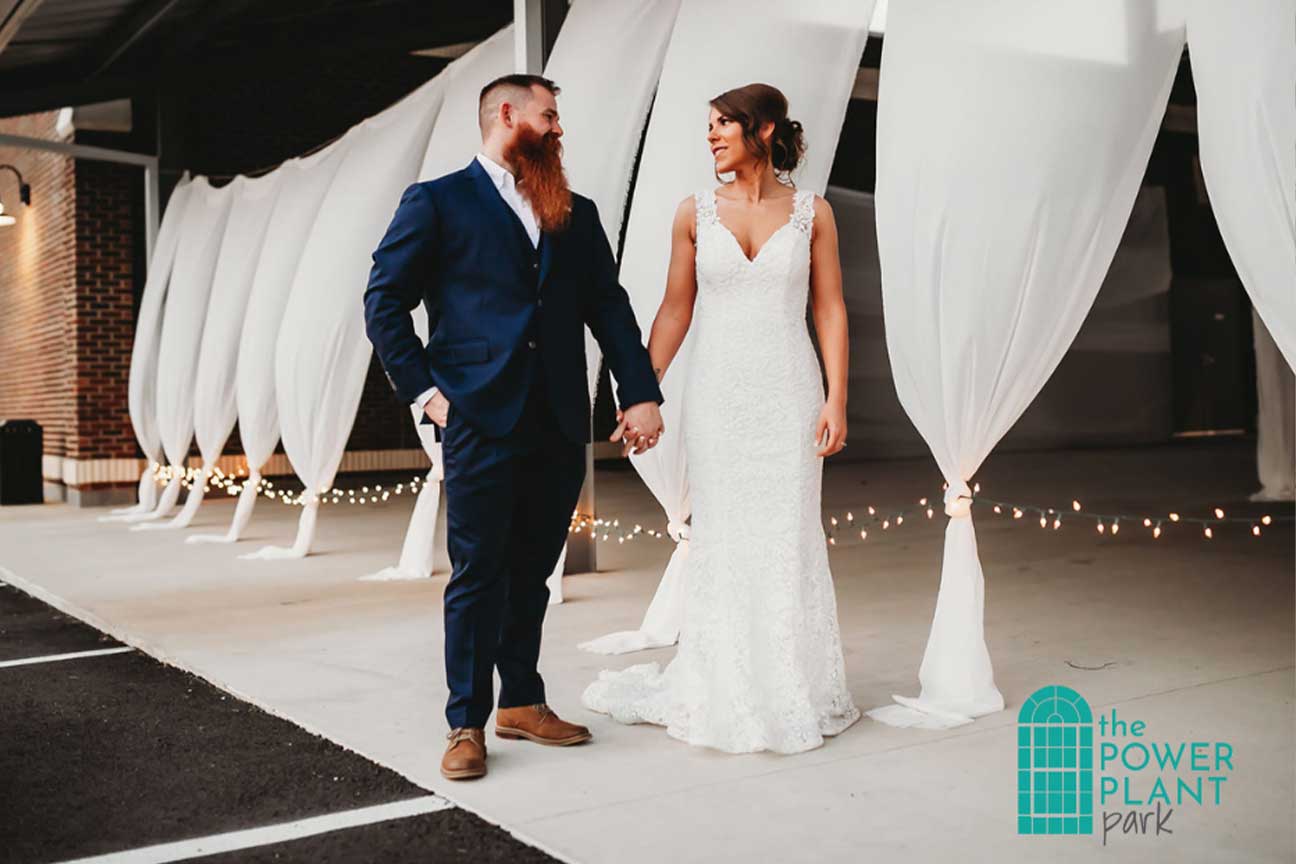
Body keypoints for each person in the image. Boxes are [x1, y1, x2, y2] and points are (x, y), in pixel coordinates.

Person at [363, 73, 665, 780]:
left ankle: (521, 703)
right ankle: (465, 722)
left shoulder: (575, 212)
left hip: (558, 420)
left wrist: (640, 392)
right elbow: (384, 302)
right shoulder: (436, 202)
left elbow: (610, 310)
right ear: (508, 114)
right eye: (549, 115)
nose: (559, 129)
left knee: (532, 572)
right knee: (478, 574)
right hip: (477, 418)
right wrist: (429, 398)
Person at [582, 82, 860, 754]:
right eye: (707, 127)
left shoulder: (812, 214)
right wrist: (639, 387)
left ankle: (791, 683)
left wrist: (836, 397)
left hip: (790, 392)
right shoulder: (693, 212)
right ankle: (724, 683)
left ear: (762, 131)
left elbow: (829, 309)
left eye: (722, 125)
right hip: (718, 397)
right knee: (726, 538)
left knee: (787, 536)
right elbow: (676, 309)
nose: (710, 137)